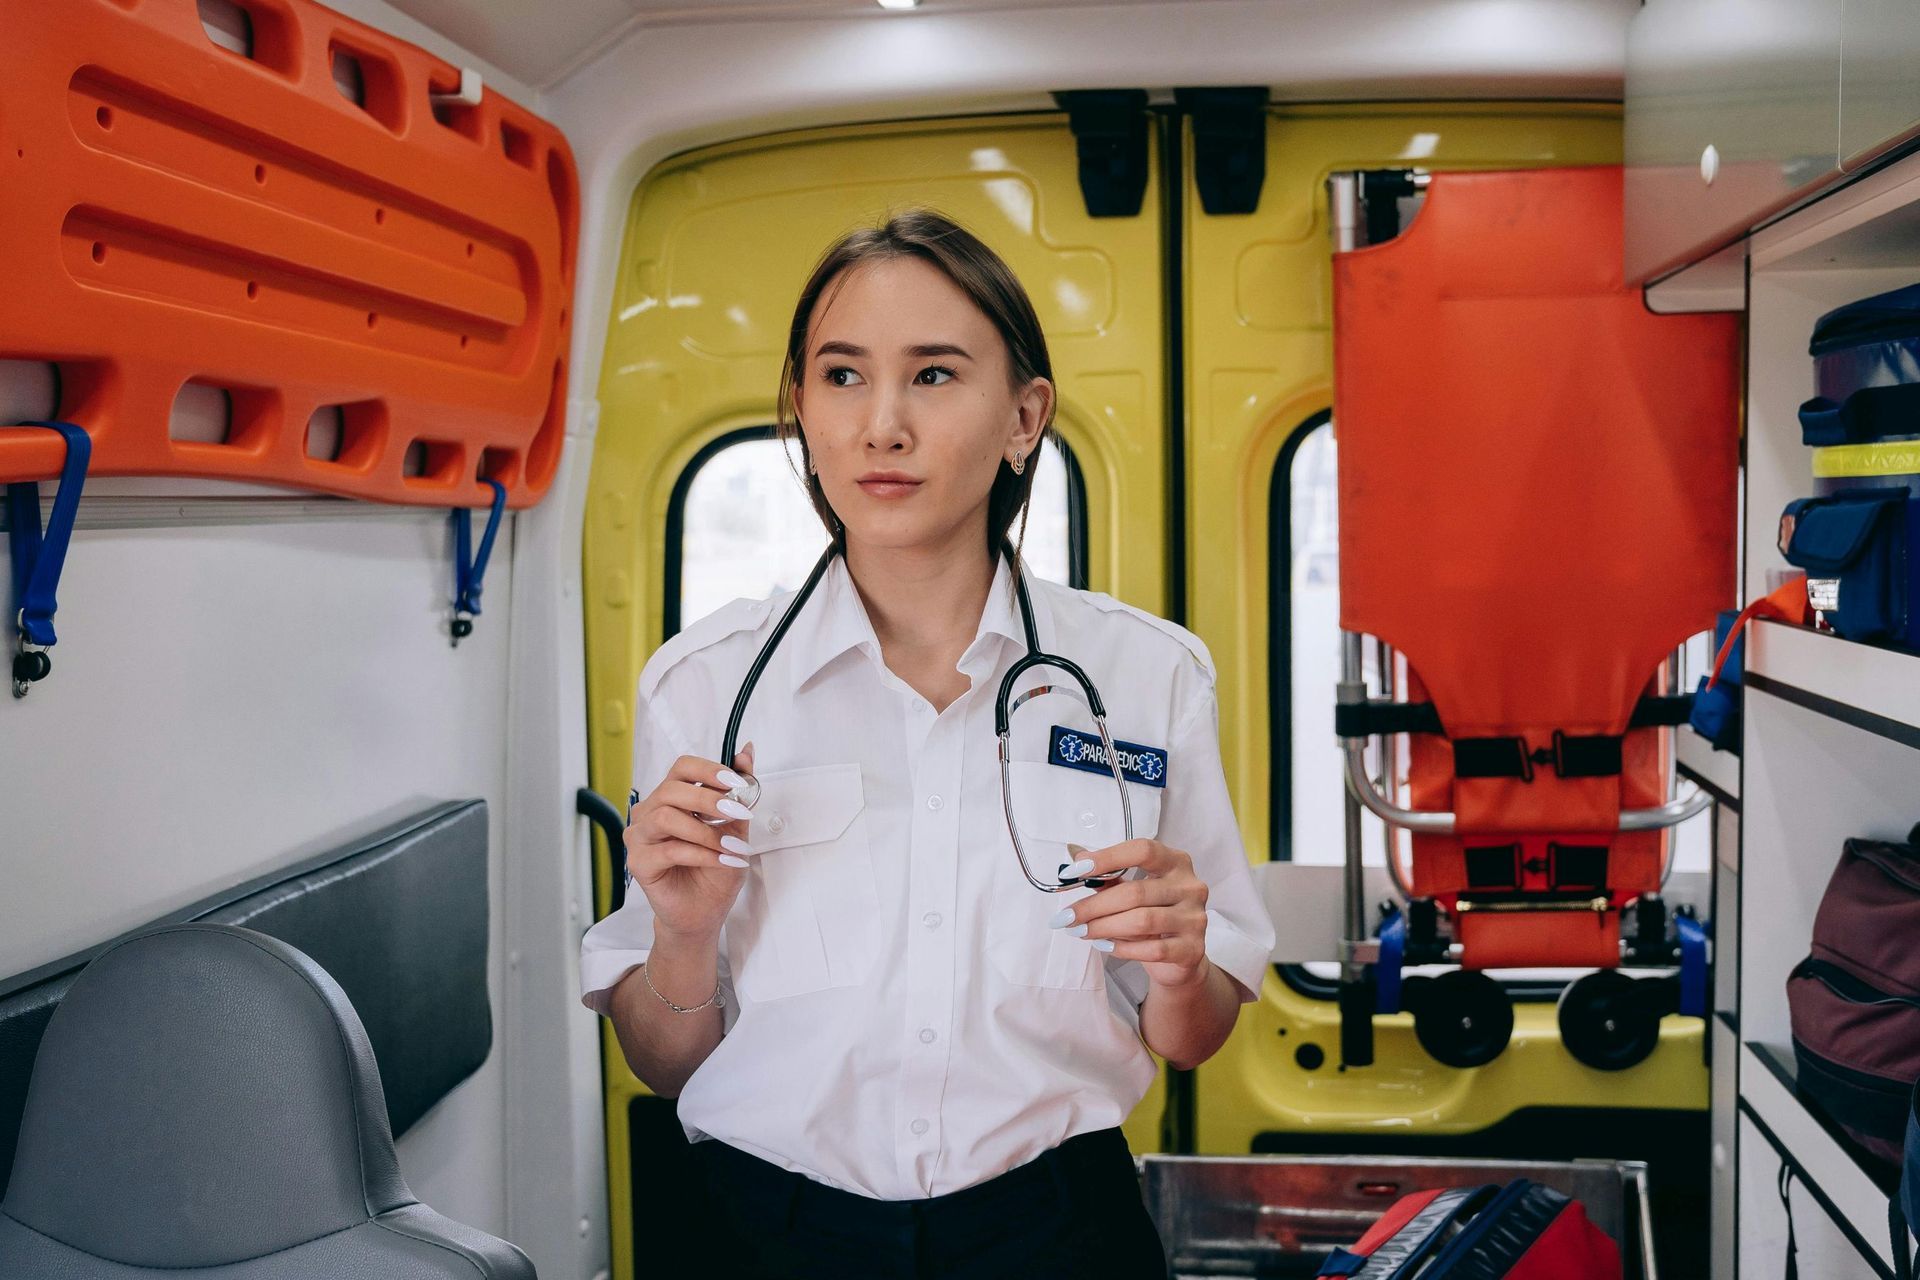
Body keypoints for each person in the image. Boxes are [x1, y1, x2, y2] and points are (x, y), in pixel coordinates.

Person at [579, 206, 1276, 1279]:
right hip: (769, 1234)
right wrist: (679, 933)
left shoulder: (1145, 679)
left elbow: (1192, 1033)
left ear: (1023, 415)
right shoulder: (704, 686)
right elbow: (666, 1061)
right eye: (843, 376)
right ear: (802, 409)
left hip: (1059, 1230)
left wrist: (1182, 964)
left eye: (936, 375)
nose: (882, 425)